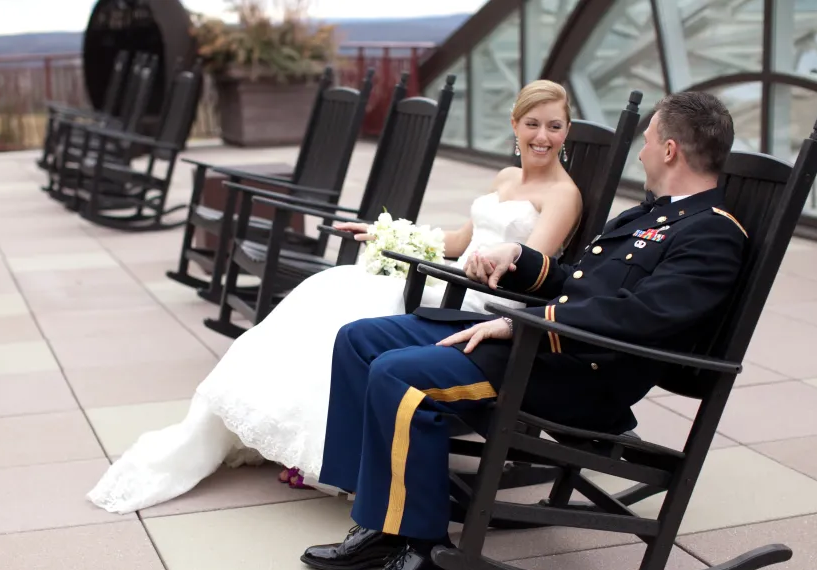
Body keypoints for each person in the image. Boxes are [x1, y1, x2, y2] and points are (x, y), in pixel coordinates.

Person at [300, 90, 747, 570]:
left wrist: (523, 324)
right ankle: (383, 520)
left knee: (397, 375)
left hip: (576, 373)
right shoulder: (648, 215)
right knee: (361, 339)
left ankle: (424, 554)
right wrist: (521, 258)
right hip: (545, 346)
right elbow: (580, 283)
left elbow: (639, 317)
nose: (640, 152)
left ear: (669, 150)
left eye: (646, 141)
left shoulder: (712, 234)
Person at [87, 80, 583, 514]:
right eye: (533, 124)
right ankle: (301, 442)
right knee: (328, 287)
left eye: (555, 127)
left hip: (480, 303)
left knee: (350, 300)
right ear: (515, 126)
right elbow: (458, 242)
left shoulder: (563, 194)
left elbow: (529, 265)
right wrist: (386, 234)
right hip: (449, 277)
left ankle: (324, 453)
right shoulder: (505, 179)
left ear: (567, 132)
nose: (543, 137)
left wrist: (499, 255)